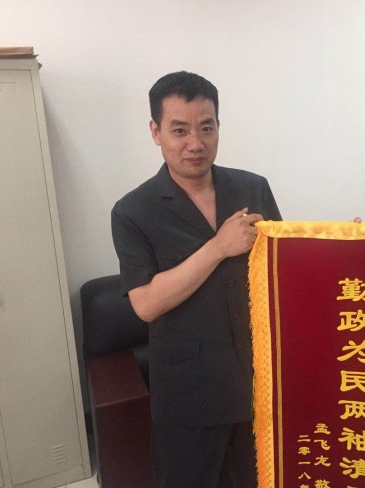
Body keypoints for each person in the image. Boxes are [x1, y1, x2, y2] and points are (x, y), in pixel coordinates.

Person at [111, 71, 281, 488]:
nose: (195, 143)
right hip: (190, 396)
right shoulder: (133, 211)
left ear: (218, 126)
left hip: (259, 384)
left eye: (206, 127)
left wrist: (347, 246)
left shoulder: (252, 188)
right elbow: (146, 303)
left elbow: (282, 266)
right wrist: (218, 247)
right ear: (155, 132)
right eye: (179, 130)